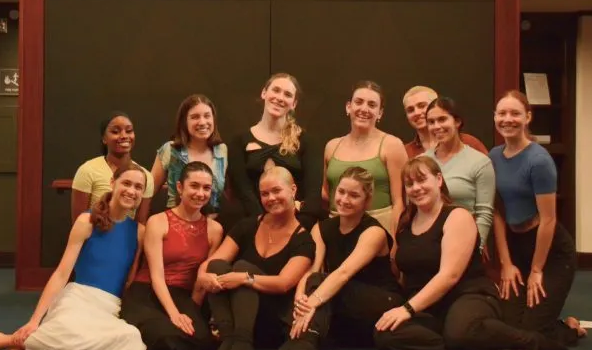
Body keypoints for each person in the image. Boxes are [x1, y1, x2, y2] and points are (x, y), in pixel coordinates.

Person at [373, 156, 569, 350]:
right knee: (385, 334)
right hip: (427, 305)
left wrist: (407, 309)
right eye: (409, 184)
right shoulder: (405, 222)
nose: (416, 188)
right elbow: (401, 271)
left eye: (422, 180)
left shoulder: (458, 216)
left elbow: (449, 276)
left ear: (438, 180)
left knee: (461, 333)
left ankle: (533, 343)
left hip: (467, 296)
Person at [0, 162, 149, 350]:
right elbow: (61, 274)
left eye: (138, 187)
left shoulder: (140, 232)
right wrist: (34, 321)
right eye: (126, 183)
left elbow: (129, 281)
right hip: (79, 298)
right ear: (112, 183)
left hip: (109, 306)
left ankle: (29, 345)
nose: (131, 191)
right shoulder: (87, 221)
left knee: (133, 342)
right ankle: (4, 339)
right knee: (71, 338)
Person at [489, 91, 581, 346]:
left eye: (515, 113)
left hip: (550, 252)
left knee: (532, 334)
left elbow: (549, 219)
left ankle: (571, 328)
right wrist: (506, 264)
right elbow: (497, 212)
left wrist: (536, 270)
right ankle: (552, 321)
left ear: (527, 117)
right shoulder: (494, 156)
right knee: (509, 326)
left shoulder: (539, 160)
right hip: (516, 246)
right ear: (495, 117)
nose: (508, 119)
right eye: (502, 113)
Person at [198, 166, 315, 350]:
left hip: (273, 319)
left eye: (276, 191)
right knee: (217, 266)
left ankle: (242, 345)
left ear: (293, 190)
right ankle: (228, 341)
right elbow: (213, 262)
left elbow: (283, 284)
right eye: (264, 194)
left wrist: (245, 278)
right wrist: (203, 276)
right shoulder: (247, 226)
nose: (271, 198)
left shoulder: (304, 240)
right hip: (239, 315)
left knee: (243, 266)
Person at [289, 167, 403, 350]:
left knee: (325, 283)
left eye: (354, 195)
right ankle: (304, 340)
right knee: (315, 282)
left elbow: (344, 273)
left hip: (382, 301)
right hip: (345, 300)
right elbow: (312, 271)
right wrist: (300, 299)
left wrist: (312, 302)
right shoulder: (321, 228)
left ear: (367, 201)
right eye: (341, 192)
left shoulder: (373, 232)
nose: (344, 199)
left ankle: (304, 342)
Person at [122, 162, 224, 350]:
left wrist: (192, 311)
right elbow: (156, 276)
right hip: (147, 292)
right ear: (180, 187)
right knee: (165, 336)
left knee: (202, 339)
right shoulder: (157, 221)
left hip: (182, 295)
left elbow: (201, 280)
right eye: (194, 186)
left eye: (206, 188)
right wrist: (174, 314)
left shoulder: (215, 229)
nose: (200, 193)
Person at [227, 73, 323, 229]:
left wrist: (295, 228)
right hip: (252, 226)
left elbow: (313, 196)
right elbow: (243, 192)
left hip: (297, 226)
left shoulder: (307, 142)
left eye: (287, 94)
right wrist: (264, 226)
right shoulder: (239, 142)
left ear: (294, 103)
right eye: (276, 90)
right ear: (264, 93)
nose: (280, 98)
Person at [323, 80, 408, 233]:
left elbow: (400, 202)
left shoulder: (392, 145)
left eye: (372, 105)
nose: (364, 109)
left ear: (380, 113)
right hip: (337, 232)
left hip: (381, 231)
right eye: (359, 102)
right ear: (348, 107)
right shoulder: (331, 147)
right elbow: (325, 194)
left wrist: (395, 240)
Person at [138, 95, 228, 223]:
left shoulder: (222, 150)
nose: (202, 122)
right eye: (195, 117)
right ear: (184, 121)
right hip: (174, 224)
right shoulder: (170, 150)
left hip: (211, 226)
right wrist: (141, 224)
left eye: (207, 116)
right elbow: (148, 192)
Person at [424, 97, 495, 250]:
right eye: (431, 122)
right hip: (427, 244)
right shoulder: (422, 161)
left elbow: (484, 213)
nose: (436, 126)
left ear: (457, 121)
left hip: (463, 244)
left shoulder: (480, 162)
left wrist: (477, 247)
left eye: (442, 119)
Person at [71, 111, 154, 223]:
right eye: (115, 131)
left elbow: (140, 224)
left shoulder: (145, 176)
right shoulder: (87, 170)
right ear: (104, 139)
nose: (124, 136)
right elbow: (78, 222)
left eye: (129, 131)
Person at [402, 85, 488, 158]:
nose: (416, 113)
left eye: (422, 106)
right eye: (410, 110)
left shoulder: (468, 142)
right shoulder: (405, 152)